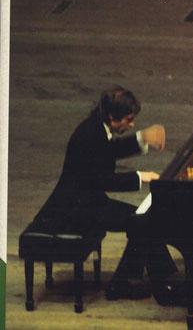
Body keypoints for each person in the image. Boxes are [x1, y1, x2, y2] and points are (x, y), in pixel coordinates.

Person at [33, 85, 177, 301]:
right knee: (142, 221)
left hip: (86, 201)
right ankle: (129, 284)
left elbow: (109, 150)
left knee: (142, 220)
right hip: (75, 210)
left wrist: (142, 138)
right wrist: (141, 176)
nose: (132, 124)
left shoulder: (96, 127)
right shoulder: (90, 135)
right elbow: (103, 180)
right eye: (129, 119)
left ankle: (156, 278)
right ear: (112, 116)